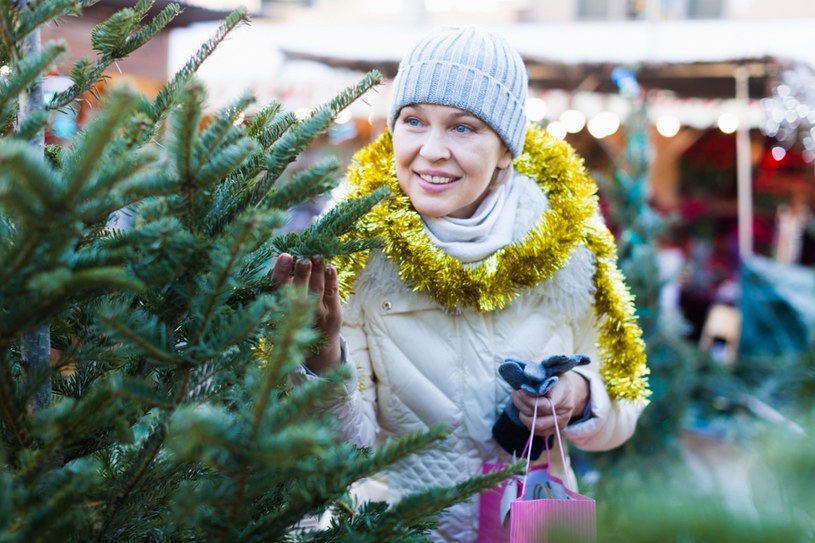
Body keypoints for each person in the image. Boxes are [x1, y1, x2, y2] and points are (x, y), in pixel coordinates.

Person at [274, 25, 650, 543]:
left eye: (463, 128)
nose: (431, 150)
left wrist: (578, 395)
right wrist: (320, 358)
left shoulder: (567, 244)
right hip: (398, 531)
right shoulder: (355, 249)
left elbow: (625, 402)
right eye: (413, 121)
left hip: (533, 527)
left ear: (505, 149)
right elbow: (340, 448)